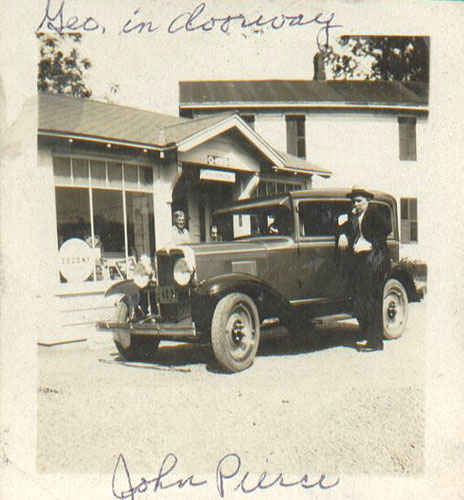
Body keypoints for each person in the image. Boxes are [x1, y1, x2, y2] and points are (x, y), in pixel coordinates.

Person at [336, 186, 392, 352]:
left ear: (367, 202)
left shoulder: (373, 214)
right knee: (359, 301)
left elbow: (387, 227)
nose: (356, 204)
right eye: (354, 201)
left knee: (372, 300)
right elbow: (341, 227)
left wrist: (375, 242)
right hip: (359, 261)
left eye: (359, 201)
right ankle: (369, 336)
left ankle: (375, 342)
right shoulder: (353, 218)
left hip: (374, 259)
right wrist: (342, 235)